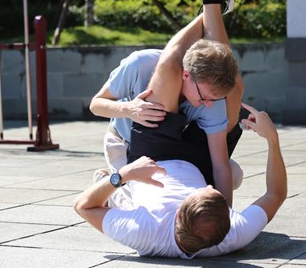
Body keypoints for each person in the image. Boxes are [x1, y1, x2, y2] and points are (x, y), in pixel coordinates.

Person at [90, 0, 244, 205]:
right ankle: (107, 182)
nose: (208, 104)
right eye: (204, 97)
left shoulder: (209, 94)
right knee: (144, 195)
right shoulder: (142, 64)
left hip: (177, 140)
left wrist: (225, 219)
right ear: (187, 74)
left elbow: (220, 166)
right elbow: (95, 105)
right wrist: (129, 110)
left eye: (209, 100)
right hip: (126, 143)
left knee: (234, 173)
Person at [73, 102, 288, 258]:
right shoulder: (235, 233)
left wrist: (123, 175)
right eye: (211, 189)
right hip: (193, 161)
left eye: (203, 190)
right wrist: (272, 139)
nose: (211, 185)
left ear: (178, 213)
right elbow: (276, 194)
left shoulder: (144, 232)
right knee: (229, 98)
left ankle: (115, 192)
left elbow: (83, 207)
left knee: (161, 88)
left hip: (147, 161)